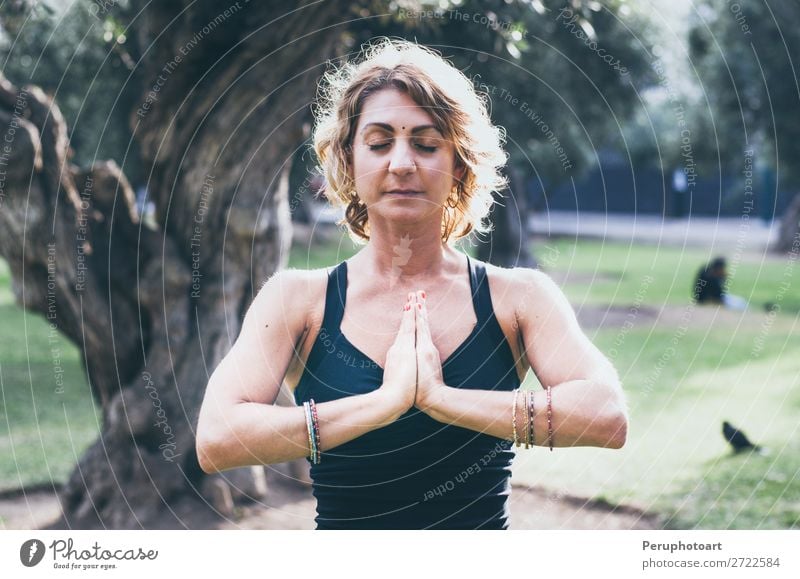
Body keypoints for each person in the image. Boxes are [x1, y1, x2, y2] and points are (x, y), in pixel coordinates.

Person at [196, 39, 628, 530]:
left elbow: (607, 415)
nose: (402, 163)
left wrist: (441, 399)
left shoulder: (519, 299)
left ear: (460, 164)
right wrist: (382, 404)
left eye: (426, 144)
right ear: (349, 161)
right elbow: (216, 438)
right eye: (379, 143)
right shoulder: (298, 301)